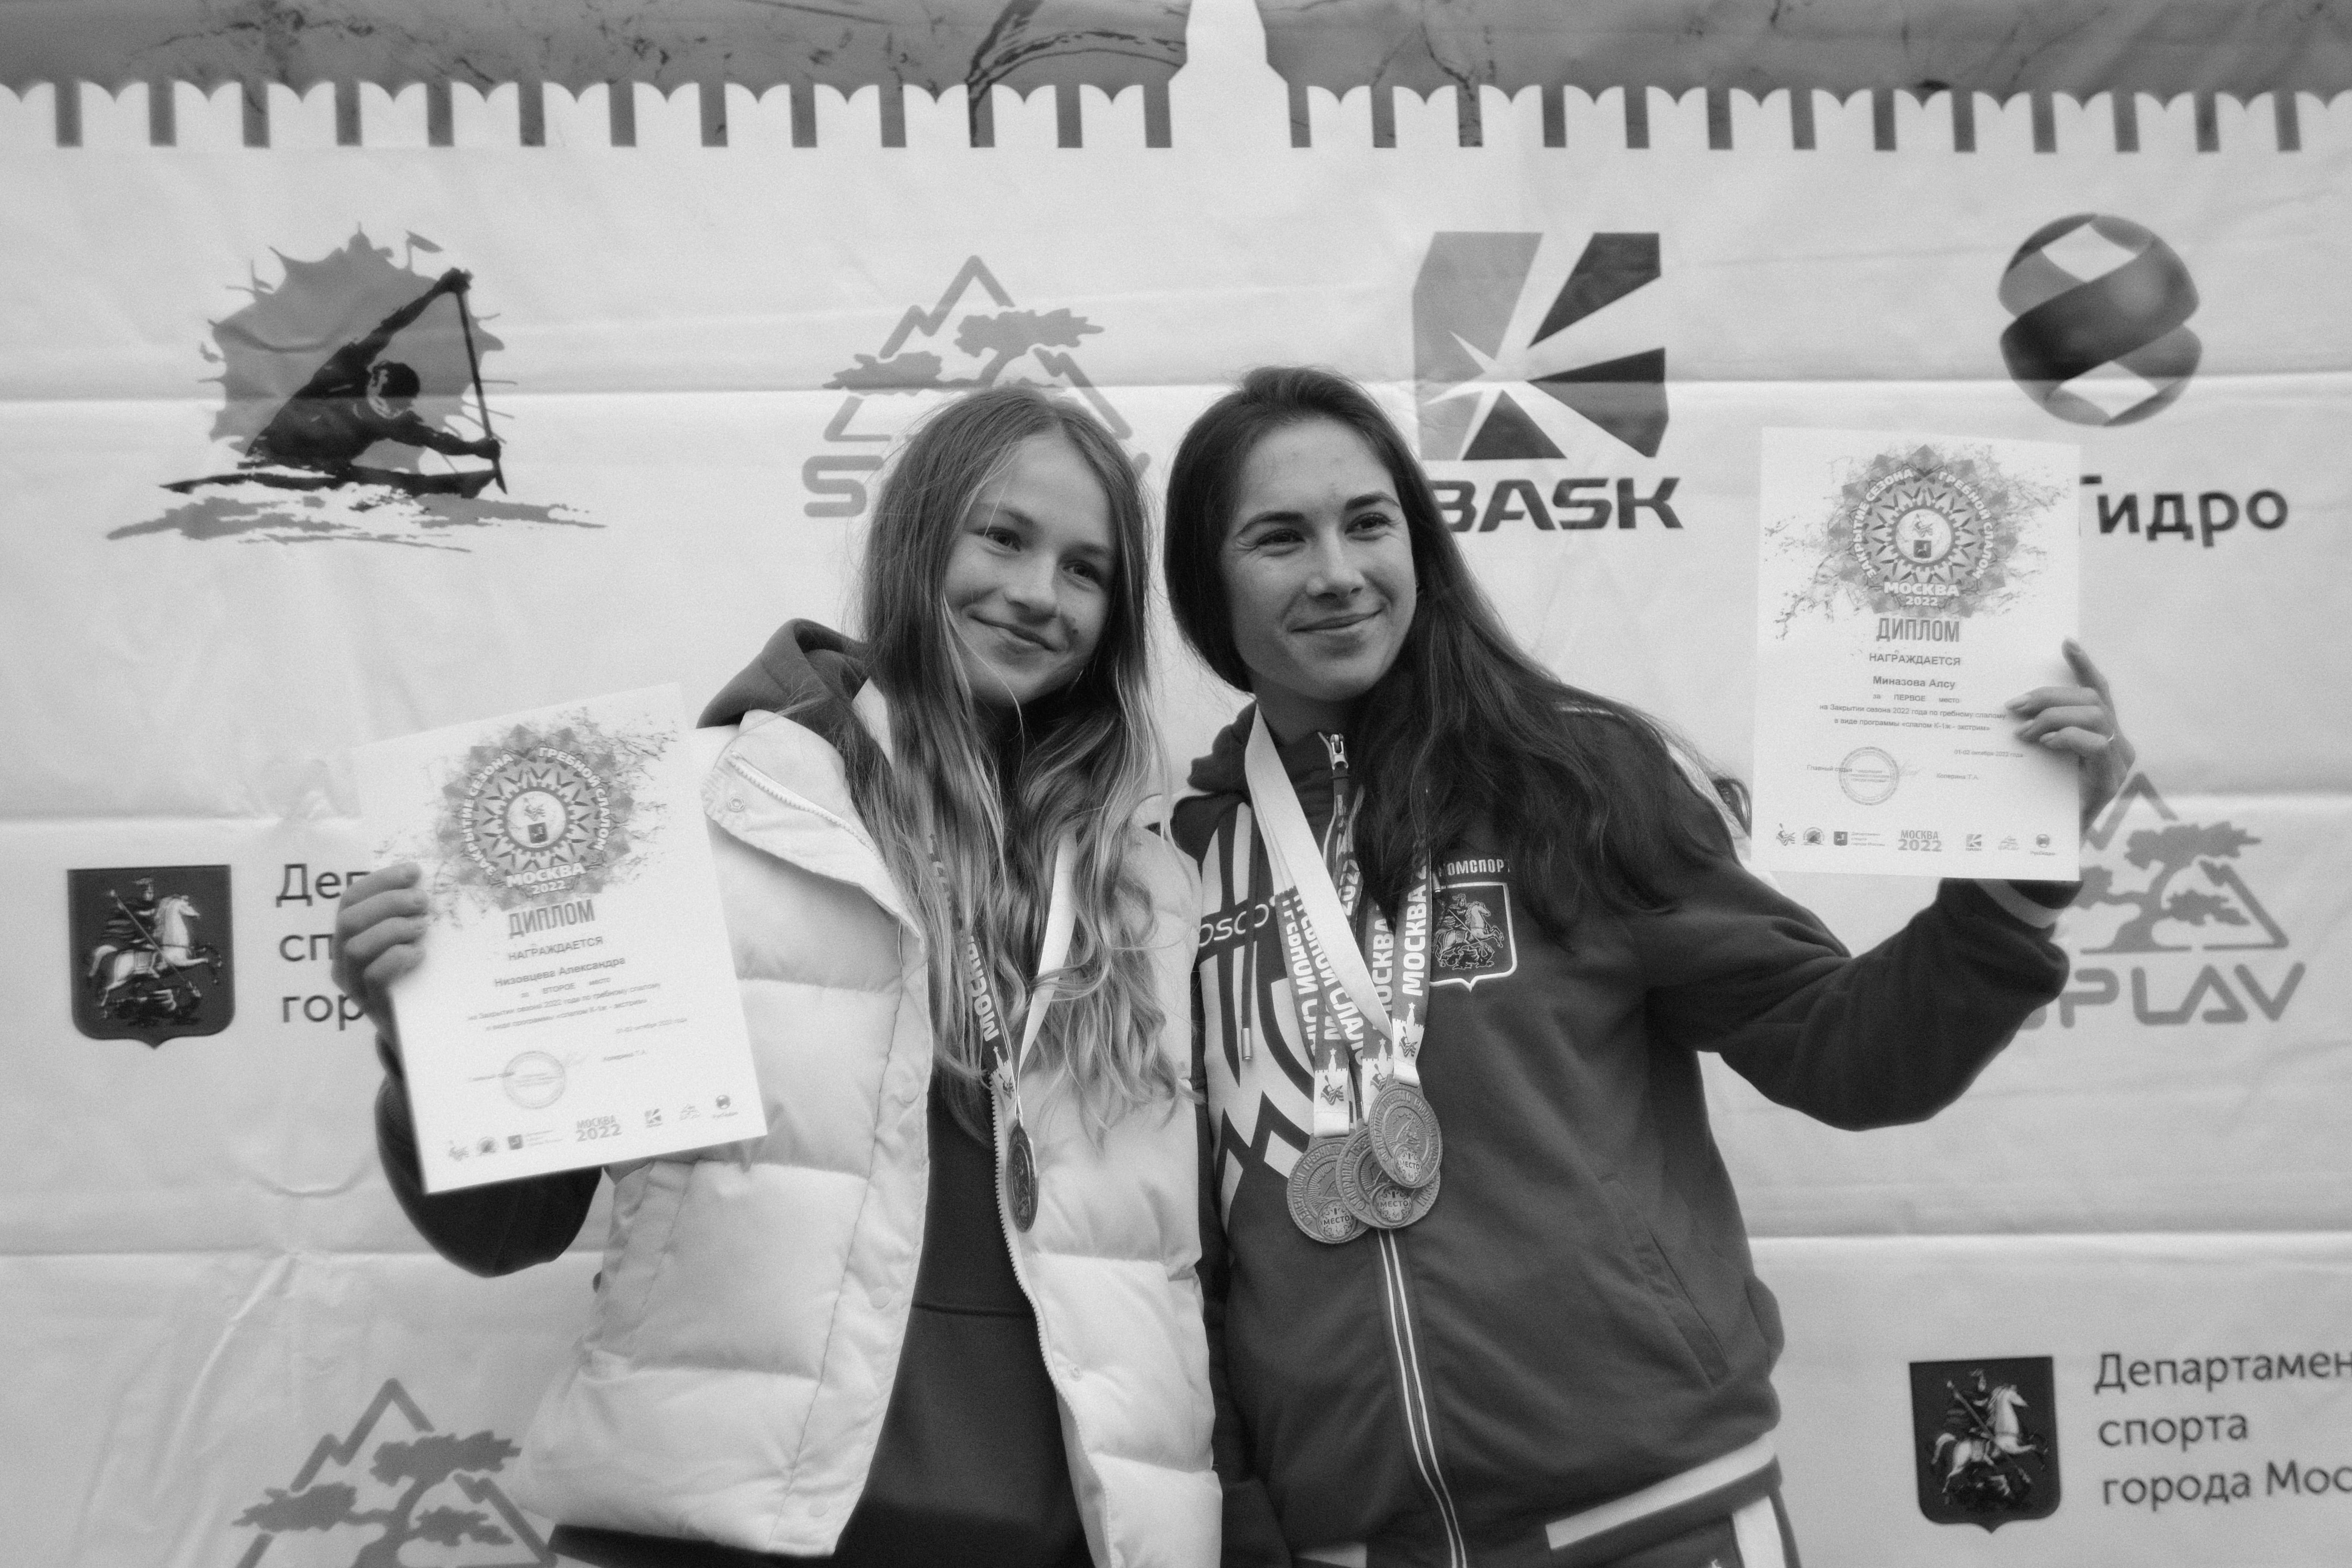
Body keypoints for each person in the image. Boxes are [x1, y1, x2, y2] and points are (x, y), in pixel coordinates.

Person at [1160, 368, 2132, 1568]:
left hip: (1657, 1519)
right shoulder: (1180, 866)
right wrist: (1241, 1511)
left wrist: (2012, 886)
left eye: (1370, 523)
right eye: (1279, 538)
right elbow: (1190, 1251)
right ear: (1206, 584)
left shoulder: (1569, 779)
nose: (1338, 573)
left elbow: (1847, 1054)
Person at [332, 386, 1217, 1567]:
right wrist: (428, 1044)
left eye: (1086, 570)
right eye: (1002, 537)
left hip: (1062, 1544)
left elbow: (1183, 1280)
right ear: (917, 539)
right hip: (725, 1536)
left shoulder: (1147, 891)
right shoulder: (686, 815)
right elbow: (506, 1230)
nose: (1037, 593)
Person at [243, 266, 501, 495]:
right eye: (387, 403)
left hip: (322, 474)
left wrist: (476, 449)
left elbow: (435, 440)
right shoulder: (343, 372)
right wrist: (436, 292)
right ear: (372, 384)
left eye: (398, 407)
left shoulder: (393, 421)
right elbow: (390, 327)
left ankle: (451, 488)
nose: (390, 412)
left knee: (381, 480)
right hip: (268, 458)